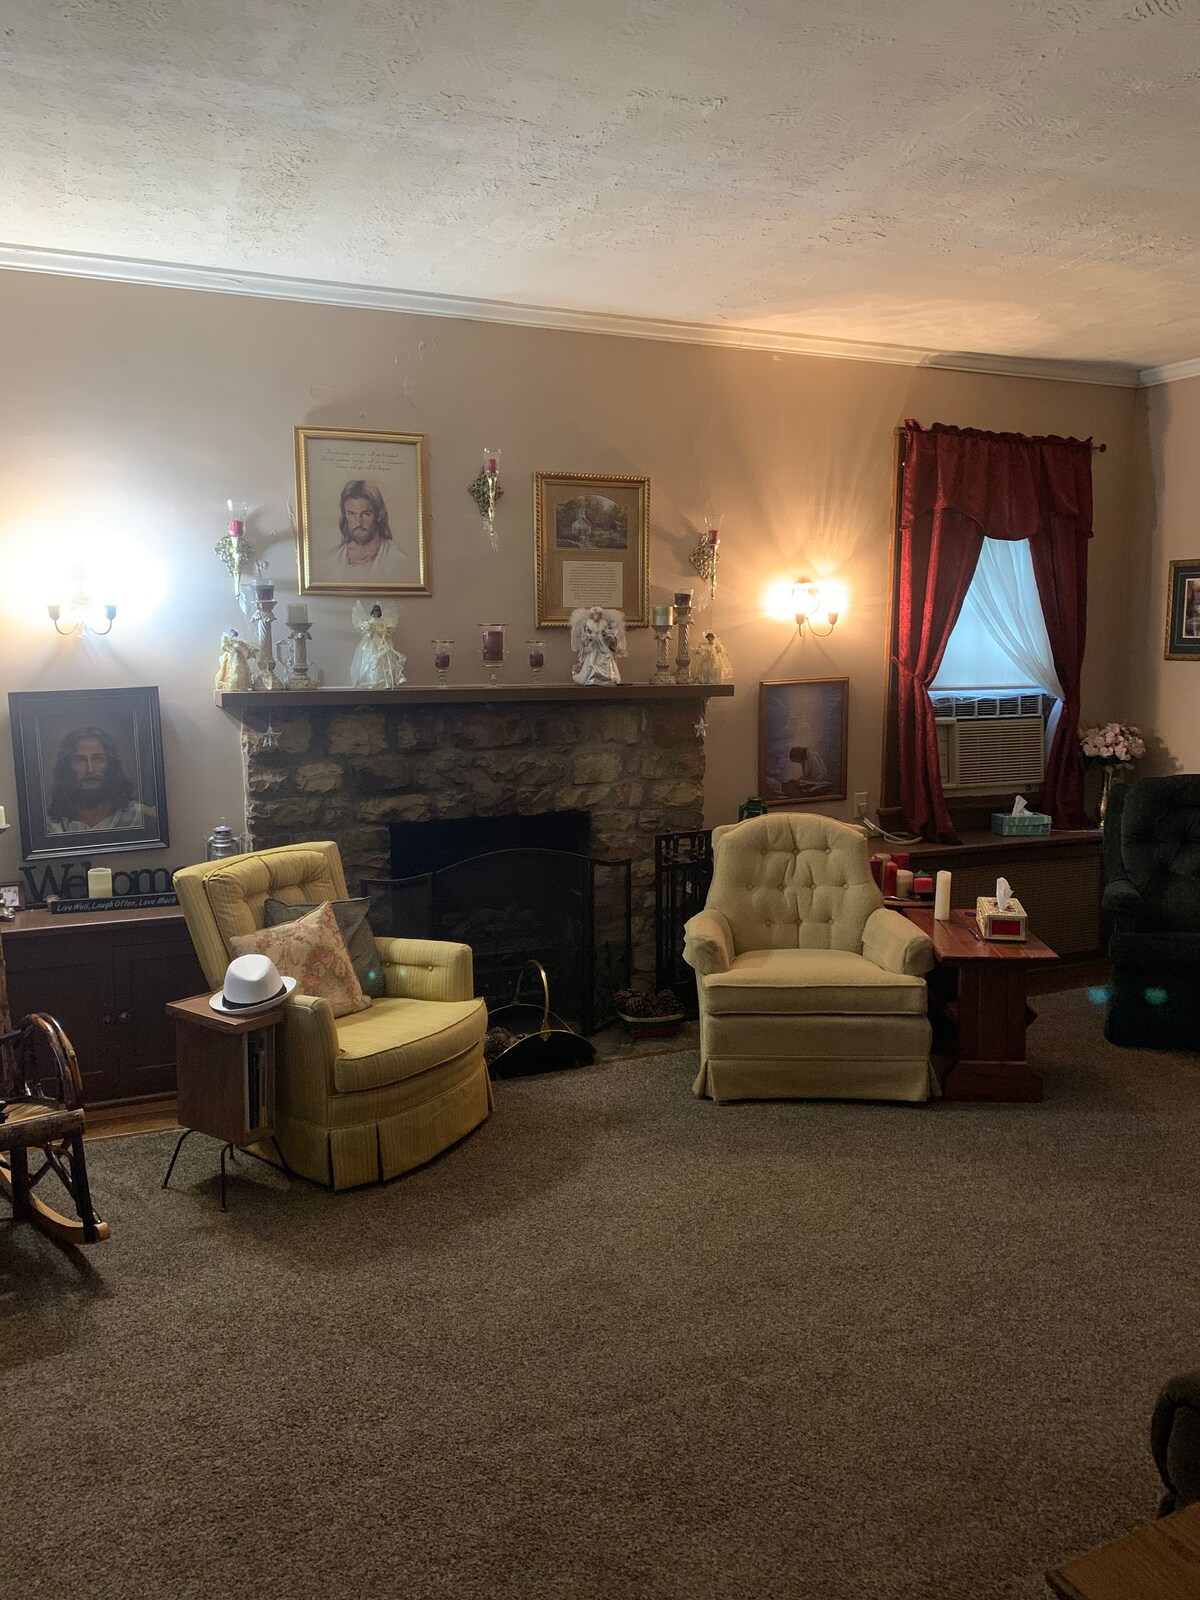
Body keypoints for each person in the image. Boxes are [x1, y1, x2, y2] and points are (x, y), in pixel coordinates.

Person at [45, 727, 156, 833]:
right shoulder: (49, 826)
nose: (90, 769)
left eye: (98, 759)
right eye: (80, 760)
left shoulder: (139, 818)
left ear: (111, 764)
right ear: (67, 767)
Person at [329, 479, 408, 579]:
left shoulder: (397, 560)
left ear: (378, 515)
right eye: (352, 514)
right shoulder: (333, 558)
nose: (358, 522)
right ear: (345, 516)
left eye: (366, 514)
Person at [350, 601, 407, 688]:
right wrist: (369, 628)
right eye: (375, 612)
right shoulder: (369, 621)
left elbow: (390, 630)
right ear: (372, 612)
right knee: (371, 659)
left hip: (382, 642)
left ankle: (384, 681)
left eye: (377, 612)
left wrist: (383, 632)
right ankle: (370, 681)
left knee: (382, 660)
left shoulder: (385, 621)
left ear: (379, 612)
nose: (376, 613)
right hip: (372, 643)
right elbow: (364, 629)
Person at [570, 605, 627, 685]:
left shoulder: (604, 624)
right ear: (592, 615)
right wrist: (593, 637)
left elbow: (607, 633)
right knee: (591, 661)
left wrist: (605, 636)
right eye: (595, 614)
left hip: (603, 646)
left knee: (607, 659)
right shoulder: (588, 624)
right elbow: (586, 635)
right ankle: (591, 678)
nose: (597, 616)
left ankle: (607, 678)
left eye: (599, 615)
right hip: (593, 647)